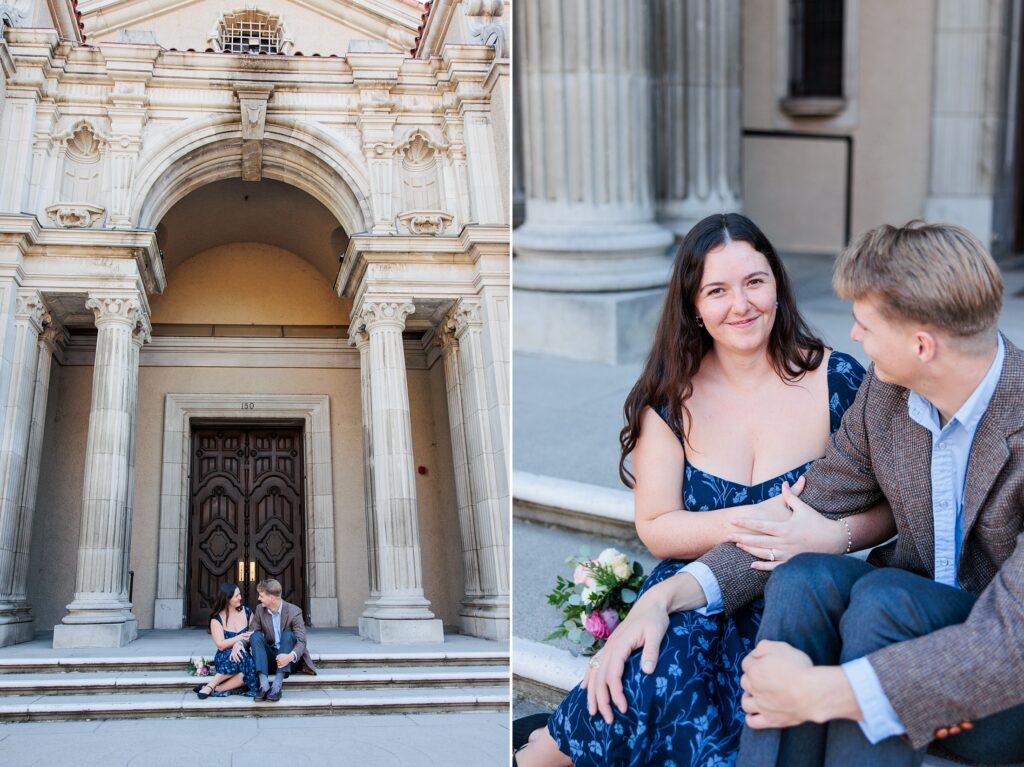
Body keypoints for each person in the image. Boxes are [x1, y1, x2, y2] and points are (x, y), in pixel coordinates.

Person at [586, 221, 1024, 766]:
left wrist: (818, 692)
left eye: (865, 324)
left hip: (1003, 689)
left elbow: (1011, 644)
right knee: (804, 575)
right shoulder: (886, 397)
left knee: (883, 601)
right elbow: (803, 515)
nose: (854, 338)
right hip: (902, 629)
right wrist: (662, 597)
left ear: (921, 344)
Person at [514, 213, 895, 767]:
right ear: (693, 305)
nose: (740, 305)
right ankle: (540, 753)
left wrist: (832, 535)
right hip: (698, 578)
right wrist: (759, 517)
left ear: (777, 284)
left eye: (754, 282)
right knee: (656, 658)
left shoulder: (838, 380)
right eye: (717, 290)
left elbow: (888, 504)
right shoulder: (669, 399)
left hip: (803, 589)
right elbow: (658, 527)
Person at [237, 578, 317, 702]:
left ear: (272, 598)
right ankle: (264, 686)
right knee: (255, 635)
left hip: (290, 661)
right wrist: (239, 643)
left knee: (288, 635)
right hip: (270, 659)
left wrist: (290, 656)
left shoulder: (294, 612)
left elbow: (301, 641)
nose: (259, 598)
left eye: (261, 595)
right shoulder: (260, 610)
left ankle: (276, 687)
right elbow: (251, 632)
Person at [195, 582, 258, 699]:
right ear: (227, 599)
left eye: (239, 594)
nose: (240, 597)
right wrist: (240, 637)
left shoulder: (247, 612)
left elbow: (253, 635)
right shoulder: (216, 619)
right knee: (244, 659)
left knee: (245, 668)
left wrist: (239, 644)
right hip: (225, 658)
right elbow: (221, 645)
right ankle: (212, 685)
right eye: (236, 596)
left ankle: (213, 687)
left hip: (243, 655)